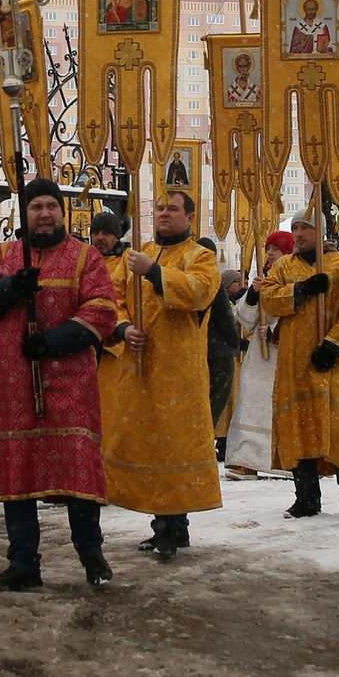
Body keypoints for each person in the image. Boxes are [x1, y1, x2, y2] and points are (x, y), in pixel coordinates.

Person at [0, 178, 121, 590]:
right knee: (17, 473)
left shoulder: (85, 257)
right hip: (13, 385)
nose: (45, 213)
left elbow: (102, 309)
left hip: (70, 382)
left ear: (62, 212)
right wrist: (9, 288)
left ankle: (91, 555)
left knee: (77, 471)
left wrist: (54, 341)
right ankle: (23, 564)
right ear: (26, 213)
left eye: (52, 206)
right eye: (37, 207)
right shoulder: (5, 255)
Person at [98, 190, 222, 561]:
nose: (164, 213)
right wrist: (123, 329)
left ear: (190, 217)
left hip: (179, 372)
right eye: (160, 208)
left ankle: (174, 525)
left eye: (173, 208)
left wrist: (154, 273)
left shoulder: (199, 256)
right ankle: (163, 524)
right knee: (150, 444)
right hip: (139, 368)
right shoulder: (139, 253)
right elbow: (112, 298)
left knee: (174, 446)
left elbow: (199, 292)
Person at [257, 212, 339, 518]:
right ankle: (306, 497)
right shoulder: (284, 267)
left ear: (320, 230)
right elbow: (268, 298)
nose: (299, 233)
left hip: (329, 361)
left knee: (337, 425)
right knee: (297, 427)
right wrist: (301, 290)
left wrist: (334, 344)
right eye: (295, 228)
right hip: (293, 362)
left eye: (305, 227)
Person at [222, 231, 292, 474]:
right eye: (268, 248)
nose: (270, 253)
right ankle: (247, 460)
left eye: (276, 249)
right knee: (251, 402)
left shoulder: (294, 279)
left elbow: (298, 313)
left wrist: (274, 331)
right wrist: (252, 294)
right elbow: (244, 317)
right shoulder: (263, 279)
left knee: (278, 404)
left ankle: (281, 459)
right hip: (259, 356)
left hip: (284, 353)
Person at [204, 249, 243, 458]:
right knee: (218, 403)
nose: (241, 285)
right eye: (237, 282)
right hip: (221, 354)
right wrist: (237, 342)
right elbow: (227, 321)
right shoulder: (213, 287)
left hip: (212, 353)